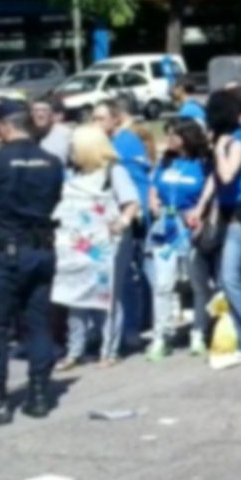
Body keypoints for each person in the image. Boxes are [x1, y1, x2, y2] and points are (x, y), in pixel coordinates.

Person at [0, 101, 64, 427]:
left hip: (7, 253)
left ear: (5, 126)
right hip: (42, 251)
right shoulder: (52, 162)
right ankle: (38, 396)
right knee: (37, 321)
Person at [56, 125, 142, 370]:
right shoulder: (72, 175)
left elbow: (131, 202)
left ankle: (109, 350)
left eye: (74, 145)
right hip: (77, 243)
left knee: (107, 296)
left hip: (108, 243)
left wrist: (122, 222)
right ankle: (75, 350)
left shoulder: (114, 172)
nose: (70, 149)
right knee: (75, 295)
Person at [204, 89, 241, 368]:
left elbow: (226, 175)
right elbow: (215, 181)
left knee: (231, 278)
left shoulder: (237, 142)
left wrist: (218, 149)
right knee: (226, 278)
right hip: (227, 212)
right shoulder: (227, 140)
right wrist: (206, 208)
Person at [147, 119, 214, 360]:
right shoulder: (165, 162)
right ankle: (160, 335)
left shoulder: (203, 164)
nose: (169, 140)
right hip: (166, 228)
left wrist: (200, 213)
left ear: (186, 137)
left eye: (173, 135)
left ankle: (199, 331)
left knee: (198, 283)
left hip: (190, 228)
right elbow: (154, 187)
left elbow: (209, 193)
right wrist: (153, 202)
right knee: (163, 284)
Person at [92, 101, 152, 354]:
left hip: (129, 218)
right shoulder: (101, 143)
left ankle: (131, 328)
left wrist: (138, 214)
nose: (95, 123)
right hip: (104, 220)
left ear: (115, 119)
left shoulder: (125, 143)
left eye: (100, 118)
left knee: (128, 277)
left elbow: (137, 181)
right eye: (93, 118)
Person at [31, 98, 72, 163]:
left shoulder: (66, 134)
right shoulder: (26, 134)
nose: (40, 115)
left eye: (44, 110)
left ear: (52, 114)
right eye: (35, 111)